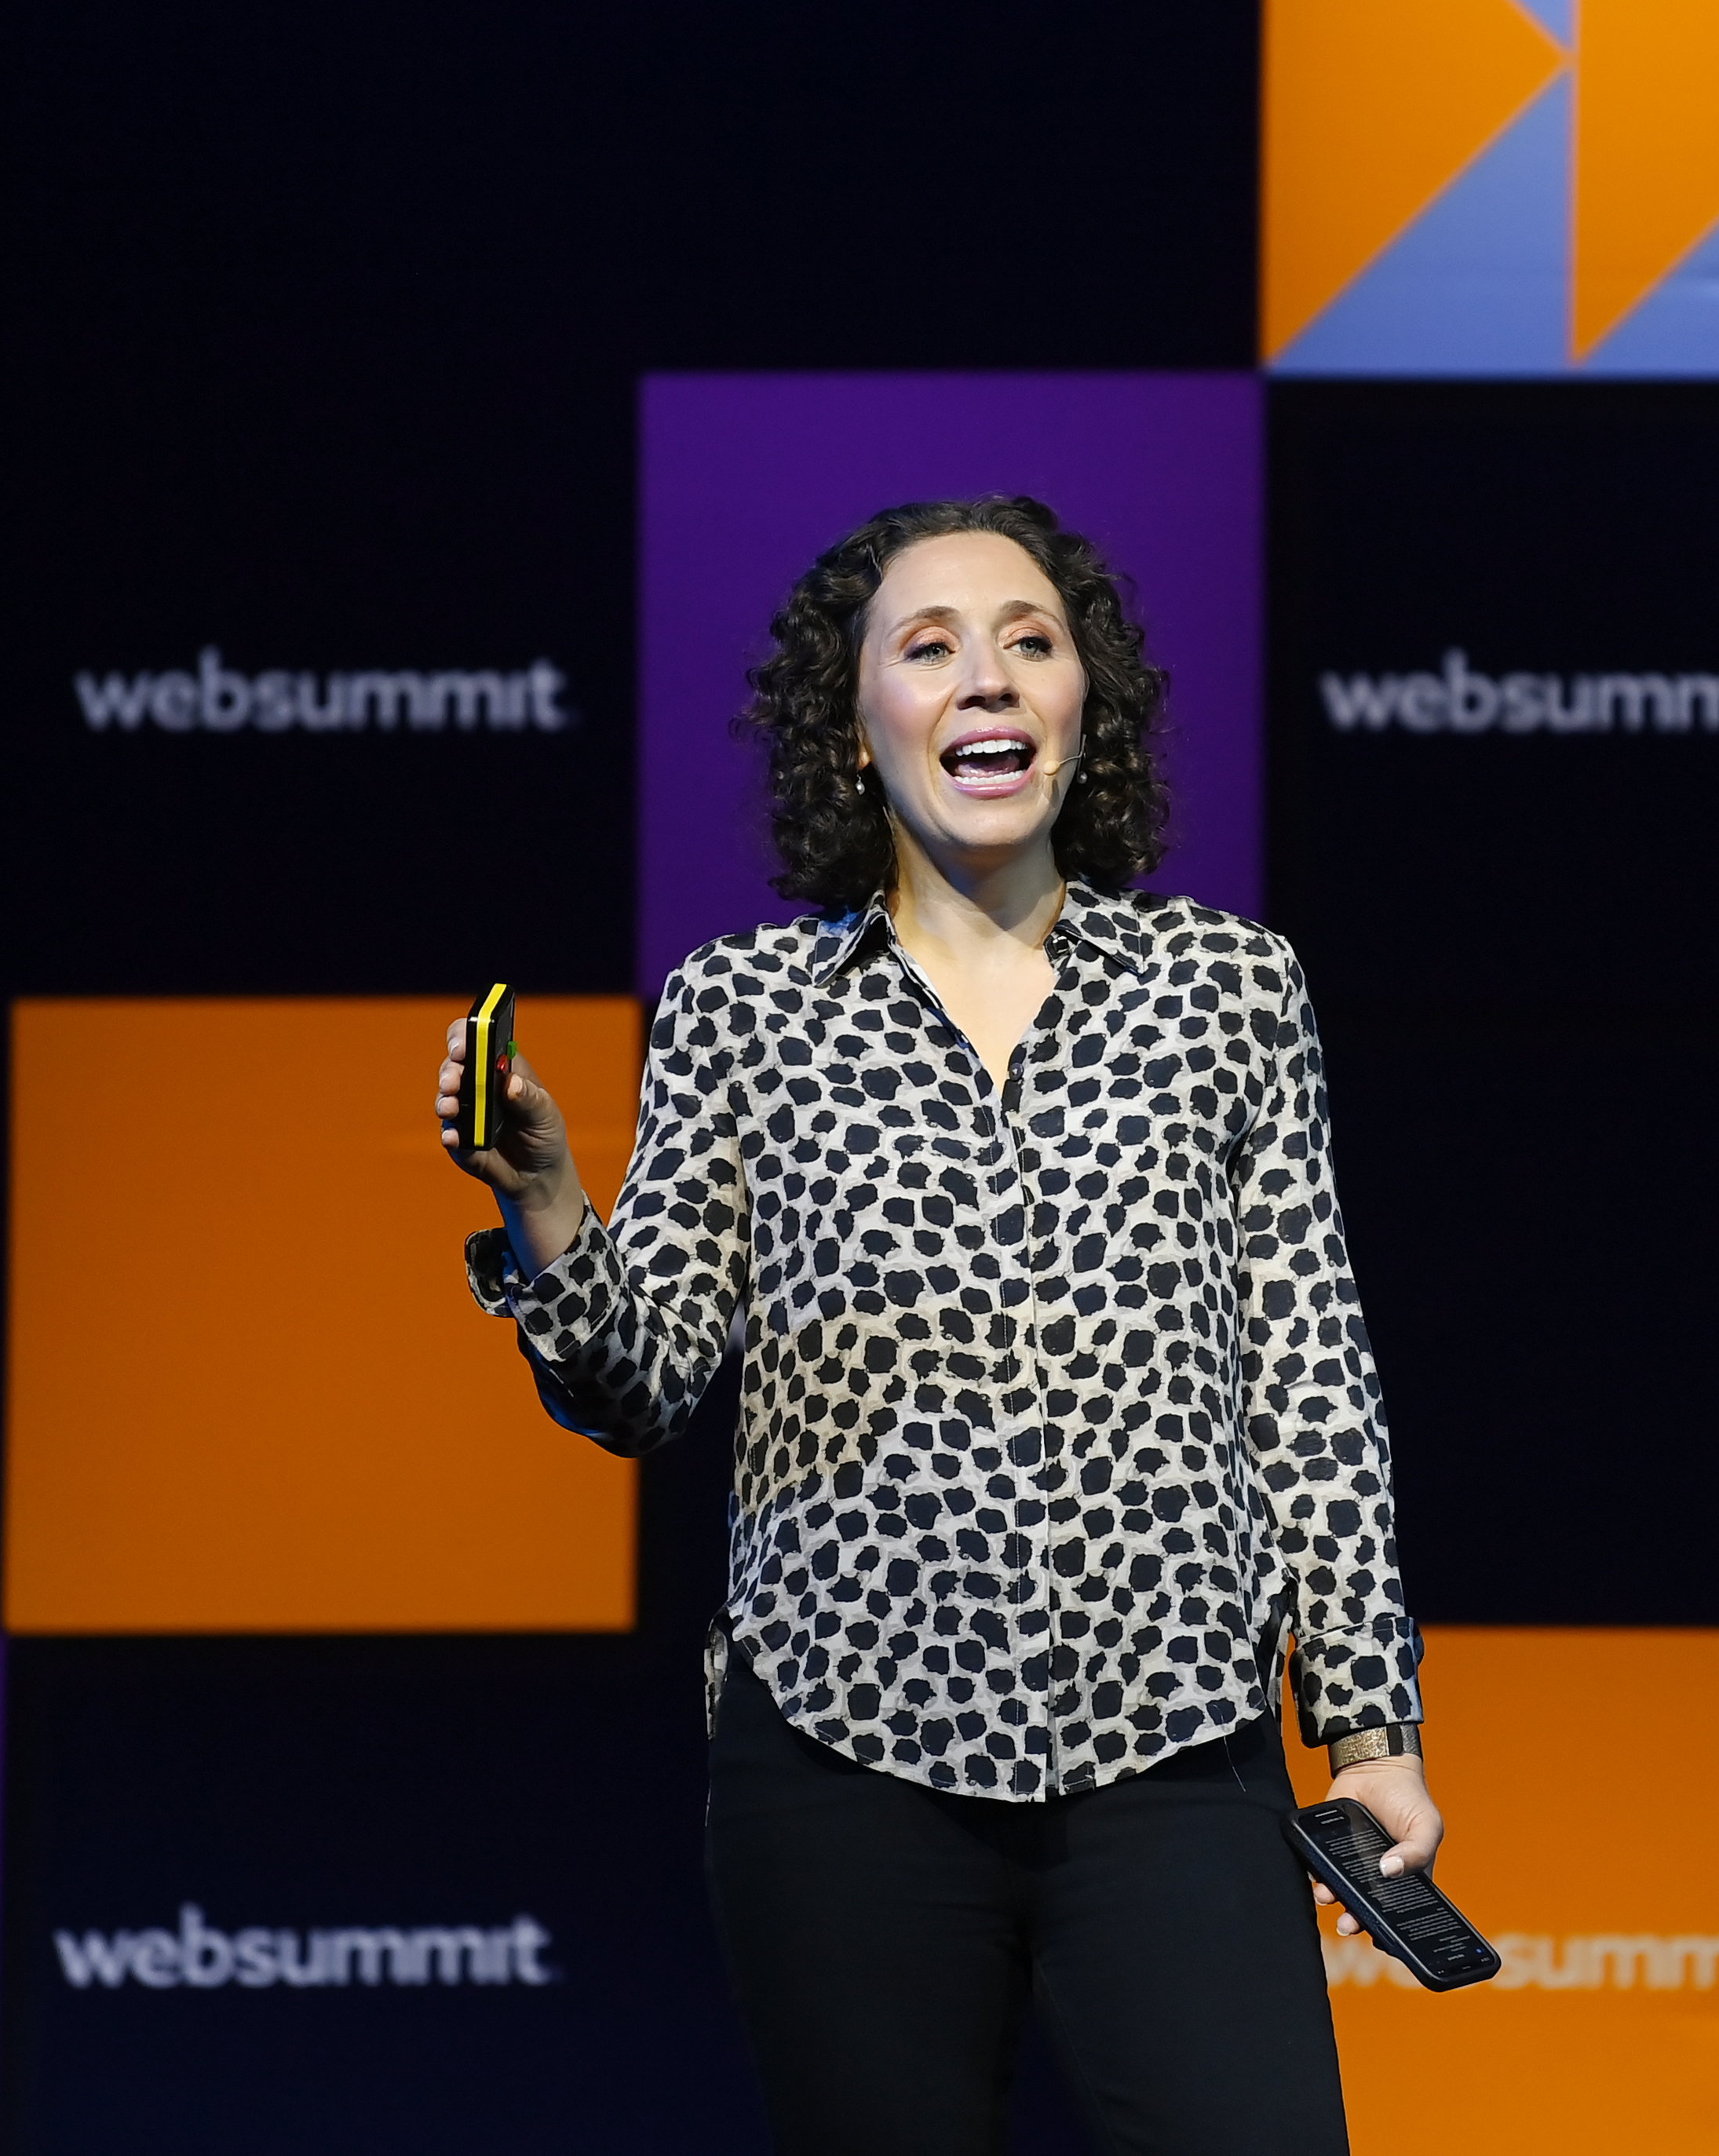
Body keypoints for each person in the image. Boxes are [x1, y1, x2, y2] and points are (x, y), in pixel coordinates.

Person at [432, 495, 1439, 2155]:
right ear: (853, 734)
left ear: (1078, 706)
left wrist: (1371, 1725)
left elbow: (1309, 1371)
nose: (988, 676)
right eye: (930, 647)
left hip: (1171, 1741)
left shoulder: (1227, 987)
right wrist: (545, 1197)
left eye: (1030, 641)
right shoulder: (740, 1009)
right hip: (843, 1760)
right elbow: (637, 1382)